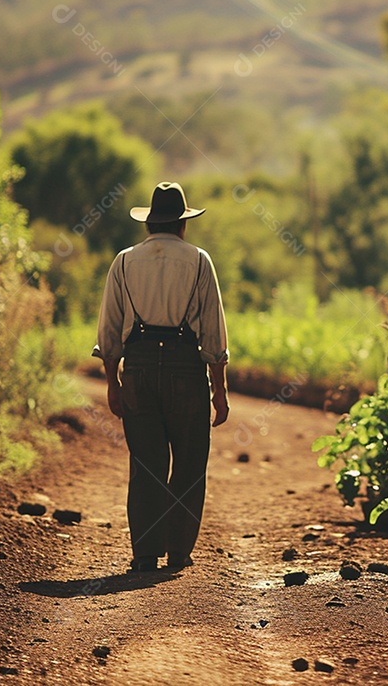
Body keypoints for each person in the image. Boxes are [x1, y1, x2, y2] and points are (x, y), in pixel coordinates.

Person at [92, 181, 230, 573]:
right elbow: (213, 334)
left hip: (137, 369)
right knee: (189, 461)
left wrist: (112, 382)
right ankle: (179, 551)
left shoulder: (123, 261)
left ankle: (145, 552)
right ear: (183, 224)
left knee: (146, 463)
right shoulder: (200, 261)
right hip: (186, 370)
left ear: (150, 223)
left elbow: (109, 329)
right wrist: (219, 390)